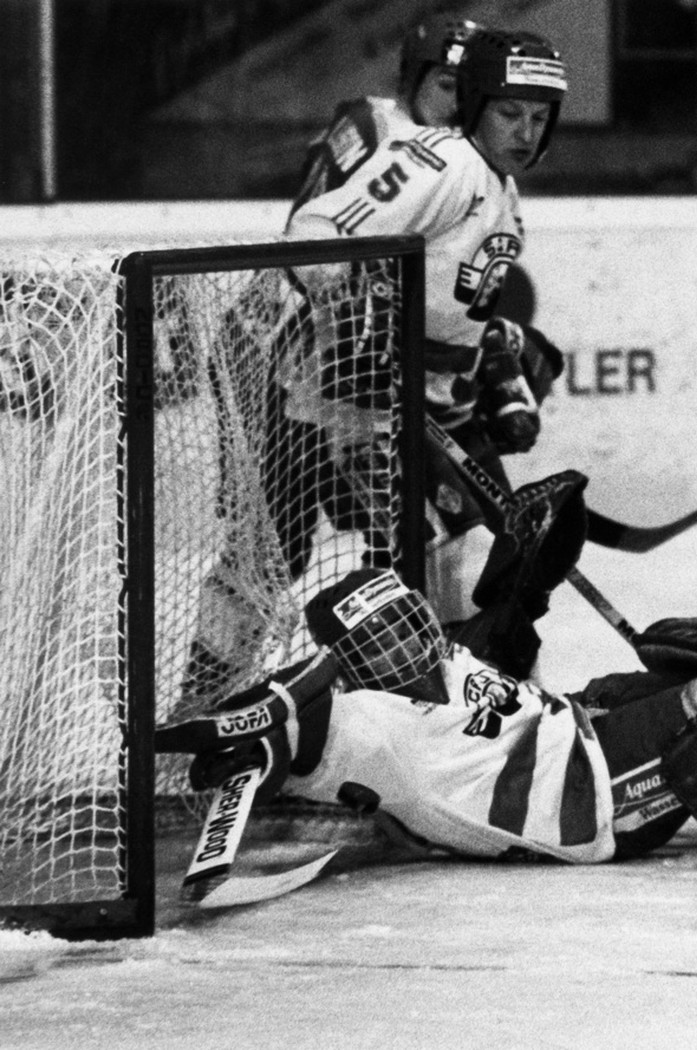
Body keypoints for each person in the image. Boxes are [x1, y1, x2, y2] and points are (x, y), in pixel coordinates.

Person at [181, 27, 572, 711]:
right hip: (332, 401)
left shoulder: (493, 182)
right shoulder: (443, 162)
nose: (524, 131)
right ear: (476, 104)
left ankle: (458, 715)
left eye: (538, 118)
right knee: (284, 559)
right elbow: (317, 231)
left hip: (401, 404)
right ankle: (201, 711)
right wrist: (347, 300)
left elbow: (454, 310)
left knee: (460, 558)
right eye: (510, 112)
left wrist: (495, 368)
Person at [156, 545, 697, 865]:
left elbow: (496, 645)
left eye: (409, 622)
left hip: (587, 726)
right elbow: (288, 724)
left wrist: (526, 564)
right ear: (354, 665)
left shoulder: (440, 657)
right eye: (385, 642)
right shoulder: (371, 725)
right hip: (594, 799)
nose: (408, 645)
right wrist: (249, 740)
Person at [289, 14, 484, 213]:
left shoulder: (472, 144)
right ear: (411, 77)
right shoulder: (372, 126)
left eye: (471, 93)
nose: (458, 105)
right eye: (447, 86)